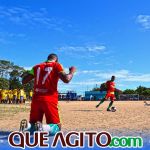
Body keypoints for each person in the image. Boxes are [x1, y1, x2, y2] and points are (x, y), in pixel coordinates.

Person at [20, 53, 76, 136]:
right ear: (56, 60)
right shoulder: (56, 65)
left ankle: (27, 126)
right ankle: (42, 128)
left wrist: (29, 73)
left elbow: (24, 81)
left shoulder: (36, 66)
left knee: (33, 124)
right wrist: (72, 71)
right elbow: (67, 79)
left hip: (36, 100)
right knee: (57, 127)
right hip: (49, 99)